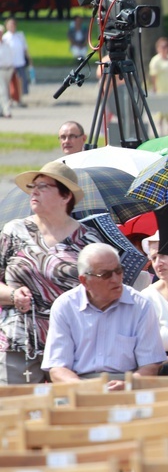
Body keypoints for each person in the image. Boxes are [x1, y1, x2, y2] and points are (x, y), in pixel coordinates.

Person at [0, 162, 102, 384]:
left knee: (71, 410)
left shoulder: (88, 240)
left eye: (43, 186)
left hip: (74, 342)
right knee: (16, 410)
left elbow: (102, 293)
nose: (34, 191)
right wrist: (13, 295)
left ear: (65, 197)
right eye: (32, 186)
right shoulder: (13, 231)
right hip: (20, 341)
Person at [41, 244, 165, 388]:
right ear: (84, 281)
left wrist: (128, 385)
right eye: (105, 275)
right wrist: (86, 388)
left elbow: (150, 366)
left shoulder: (140, 305)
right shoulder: (65, 306)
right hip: (79, 385)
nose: (116, 279)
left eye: (119, 271)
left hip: (128, 386)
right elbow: (57, 368)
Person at [3, 19, 31, 107]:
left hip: (20, 62)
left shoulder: (20, 35)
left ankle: (19, 99)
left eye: (13, 25)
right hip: (10, 63)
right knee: (10, 83)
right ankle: (10, 99)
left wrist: (30, 60)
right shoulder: (5, 37)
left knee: (21, 82)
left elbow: (25, 49)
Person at [0, 25, 12, 119]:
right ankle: (7, 111)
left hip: (8, 69)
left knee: (5, 91)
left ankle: (1, 110)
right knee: (3, 91)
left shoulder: (6, 43)